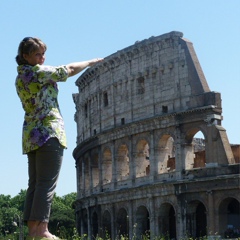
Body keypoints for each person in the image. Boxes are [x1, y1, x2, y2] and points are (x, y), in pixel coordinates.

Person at [15, 37, 103, 240]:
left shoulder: (20, 77)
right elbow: (69, 69)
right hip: (49, 133)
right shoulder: (38, 72)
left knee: (35, 183)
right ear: (25, 56)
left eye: (43, 53)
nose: (42, 58)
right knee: (47, 184)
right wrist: (90, 62)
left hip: (31, 135)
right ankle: (42, 231)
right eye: (37, 54)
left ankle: (32, 232)